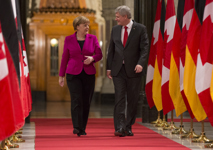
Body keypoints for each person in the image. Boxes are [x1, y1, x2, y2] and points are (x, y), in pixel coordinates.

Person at [107, 5, 149, 137]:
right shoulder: (114, 29)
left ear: (125, 17)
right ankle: (119, 127)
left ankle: (128, 126)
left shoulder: (140, 29)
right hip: (118, 70)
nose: (116, 19)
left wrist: (141, 64)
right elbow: (111, 50)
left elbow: (145, 49)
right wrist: (109, 67)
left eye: (118, 17)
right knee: (119, 98)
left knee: (132, 99)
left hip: (134, 70)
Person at [59, 16, 103, 136]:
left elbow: (99, 54)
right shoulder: (69, 39)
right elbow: (64, 57)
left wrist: (92, 58)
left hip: (89, 74)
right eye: (85, 25)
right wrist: (61, 75)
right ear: (77, 26)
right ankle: (76, 126)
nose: (87, 27)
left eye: (88, 25)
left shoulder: (93, 38)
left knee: (86, 101)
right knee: (76, 99)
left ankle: (83, 127)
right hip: (73, 74)